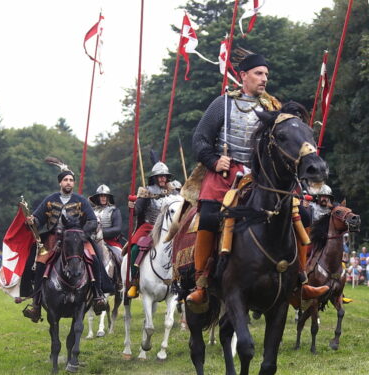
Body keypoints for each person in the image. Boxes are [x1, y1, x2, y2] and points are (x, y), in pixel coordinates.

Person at [186, 52, 327, 307]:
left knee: (304, 216)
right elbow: (200, 140)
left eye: (266, 75)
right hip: (226, 175)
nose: (264, 79)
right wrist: (214, 160)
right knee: (207, 216)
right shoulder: (222, 104)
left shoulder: (273, 107)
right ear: (243, 76)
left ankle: (301, 281)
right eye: (258, 74)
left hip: (263, 176)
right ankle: (202, 283)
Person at [22, 160, 111, 323]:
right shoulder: (49, 200)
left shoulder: (81, 200)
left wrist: (83, 234)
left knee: (94, 258)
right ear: (60, 182)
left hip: (77, 238)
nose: (68, 182)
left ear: (73, 183)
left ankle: (98, 296)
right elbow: (38, 218)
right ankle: (36, 304)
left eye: (71, 180)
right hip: (53, 239)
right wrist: (32, 220)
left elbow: (91, 220)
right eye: (65, 180)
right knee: (39, 262)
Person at [127, 165, 174, 298]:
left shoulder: (173, 191)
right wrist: (132, 207)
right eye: (160, 176)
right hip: (149, 227)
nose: (163, 178)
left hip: (169, 227)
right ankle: (135, 281)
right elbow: (137, 211)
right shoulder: (146, 191)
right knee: (135, 249)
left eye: (164, 176)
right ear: (154, 178)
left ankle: (182, 282)